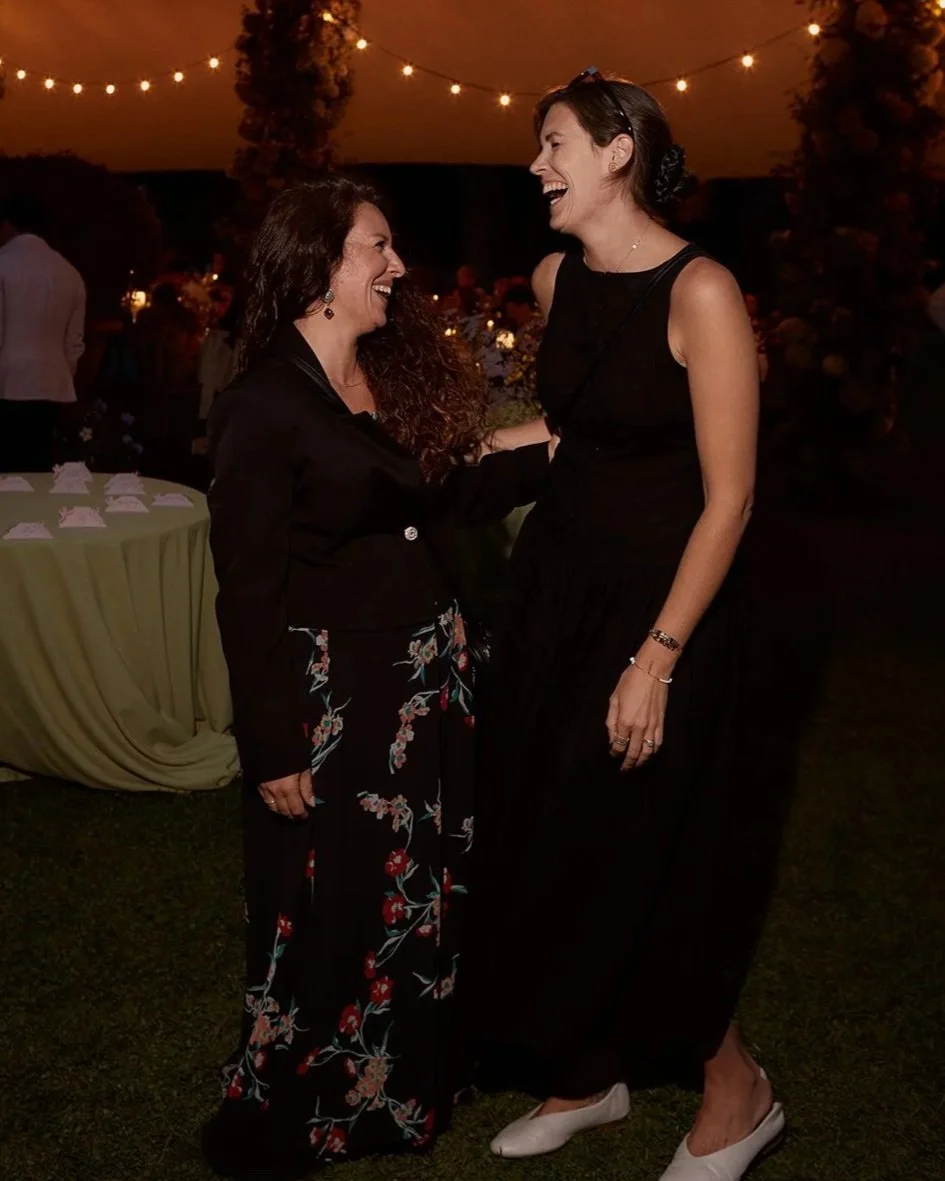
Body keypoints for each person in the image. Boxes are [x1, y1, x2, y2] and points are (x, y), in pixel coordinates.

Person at [202, 175, 551, 1181]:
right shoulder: (261, 406)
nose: (398, 265)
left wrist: (557, 449)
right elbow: (246, 593)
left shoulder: (381, 378)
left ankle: (404, 1084)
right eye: (378, 247)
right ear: (319, 267)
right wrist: (270, 742)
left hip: (421, 681)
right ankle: (317, 1095)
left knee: (417, 893)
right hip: (333, 693)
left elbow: (445, 492)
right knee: (332, 896)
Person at [473, 71, 786, 1181]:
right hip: (557, 589)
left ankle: (735, 1090)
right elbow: (569, 428)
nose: (535, 164)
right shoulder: (558, 278)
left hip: (665, 605)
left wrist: (658, 657)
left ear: (617, 152)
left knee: (649, 853)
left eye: (552, 141)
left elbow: (731, 496)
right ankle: (587, 1069)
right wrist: (436, 447)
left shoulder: (703, 290)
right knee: (549, 826)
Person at [0, 195, 86, 472]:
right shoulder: (69, 271)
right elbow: (74, 342)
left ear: (8, 225)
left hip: (8, 381)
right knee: (38, 467)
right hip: (53, 383)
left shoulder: (3, 263)